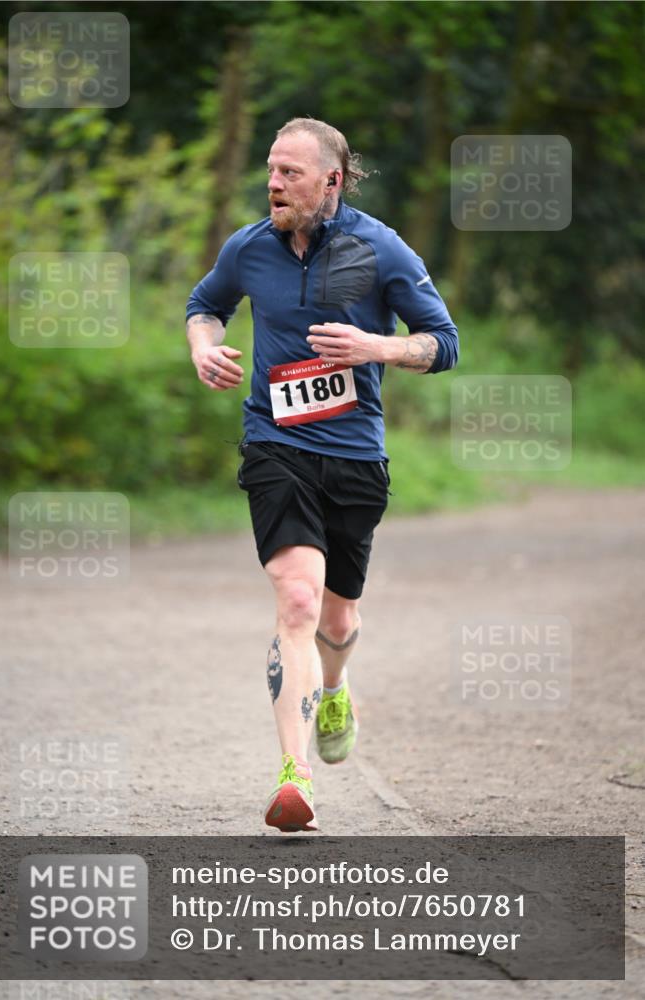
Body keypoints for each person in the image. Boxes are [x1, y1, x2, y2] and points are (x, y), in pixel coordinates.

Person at [186, 117, 458, 833]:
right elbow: (204, 305)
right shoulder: (248, 248)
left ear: (331, 181)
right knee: (298, 602)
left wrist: (375, 347)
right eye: (271, 170)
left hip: (355, 456)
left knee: (337, 616)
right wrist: (203, 349)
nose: (274, 183)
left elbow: (443, 342)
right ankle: (293, 778)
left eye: (291, 174)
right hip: (273, 443)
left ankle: (334, 688)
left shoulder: (381, 248)